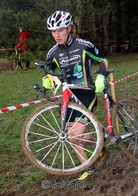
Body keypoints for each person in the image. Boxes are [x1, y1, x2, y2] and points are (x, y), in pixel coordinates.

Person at [43, 11, 108, 180]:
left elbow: (103, 60)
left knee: (76, 135)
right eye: (53, 31)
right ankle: (89, 166)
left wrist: (101, 75)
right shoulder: (52, 53)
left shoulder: (83, 45)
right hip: (67, 98)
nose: (57, 35)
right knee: (70, 137)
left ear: (69, 28)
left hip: (86, 94)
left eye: (61, 30)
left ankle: (99, 147)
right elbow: (48, 70)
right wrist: (46, 79)